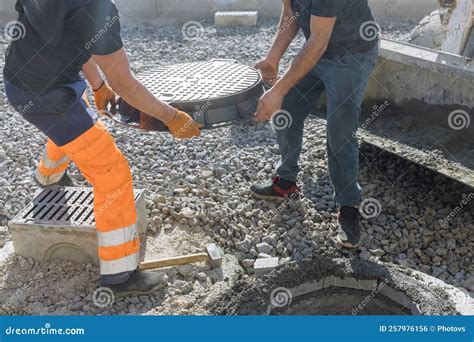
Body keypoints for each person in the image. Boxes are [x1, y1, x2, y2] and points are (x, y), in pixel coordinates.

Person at [3, 0, 201, 297]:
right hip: (48, 96)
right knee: (112, 174)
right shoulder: (97, 8)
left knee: (77, 126)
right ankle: (121, 275)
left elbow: (73, 35)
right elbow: (123, 82)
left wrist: (96, 85)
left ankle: (49, 176)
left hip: (23, 80)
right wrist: (172, 117)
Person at [251, 0, 379, 249]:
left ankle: (349, 206)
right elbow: (291, 14)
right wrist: (272, 58)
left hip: (351, 55)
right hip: (318, 50)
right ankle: (285, 182)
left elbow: (318, 41)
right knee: (286, 108)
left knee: (340, 131)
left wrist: (277, 90)